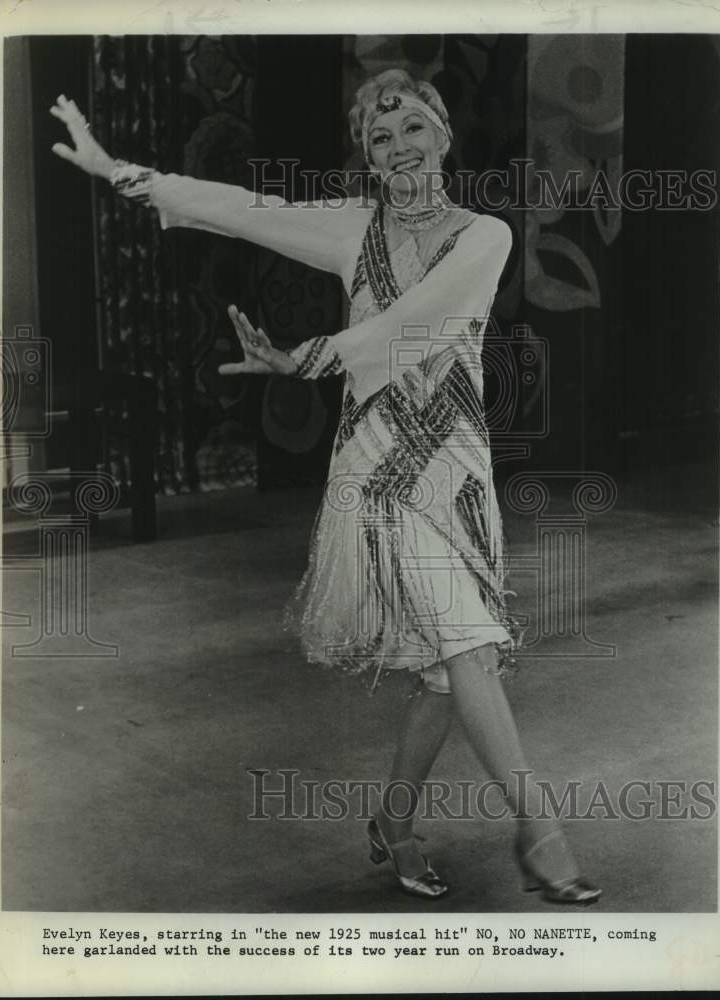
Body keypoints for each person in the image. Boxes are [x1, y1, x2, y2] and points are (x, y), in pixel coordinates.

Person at [50, 68, 600, 905]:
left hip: (451, 468)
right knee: (463, 645)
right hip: (373, 472)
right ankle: (538, 826)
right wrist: (119, 171)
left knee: (450, 672)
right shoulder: (353, 230)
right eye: (380, 139)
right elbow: (242, 208)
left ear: (443, 135)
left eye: (412, 127)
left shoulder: (484, 236)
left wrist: (308, 356)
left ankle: (394, 825)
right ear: (369, 160)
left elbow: (416, 327)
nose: (398, 147)